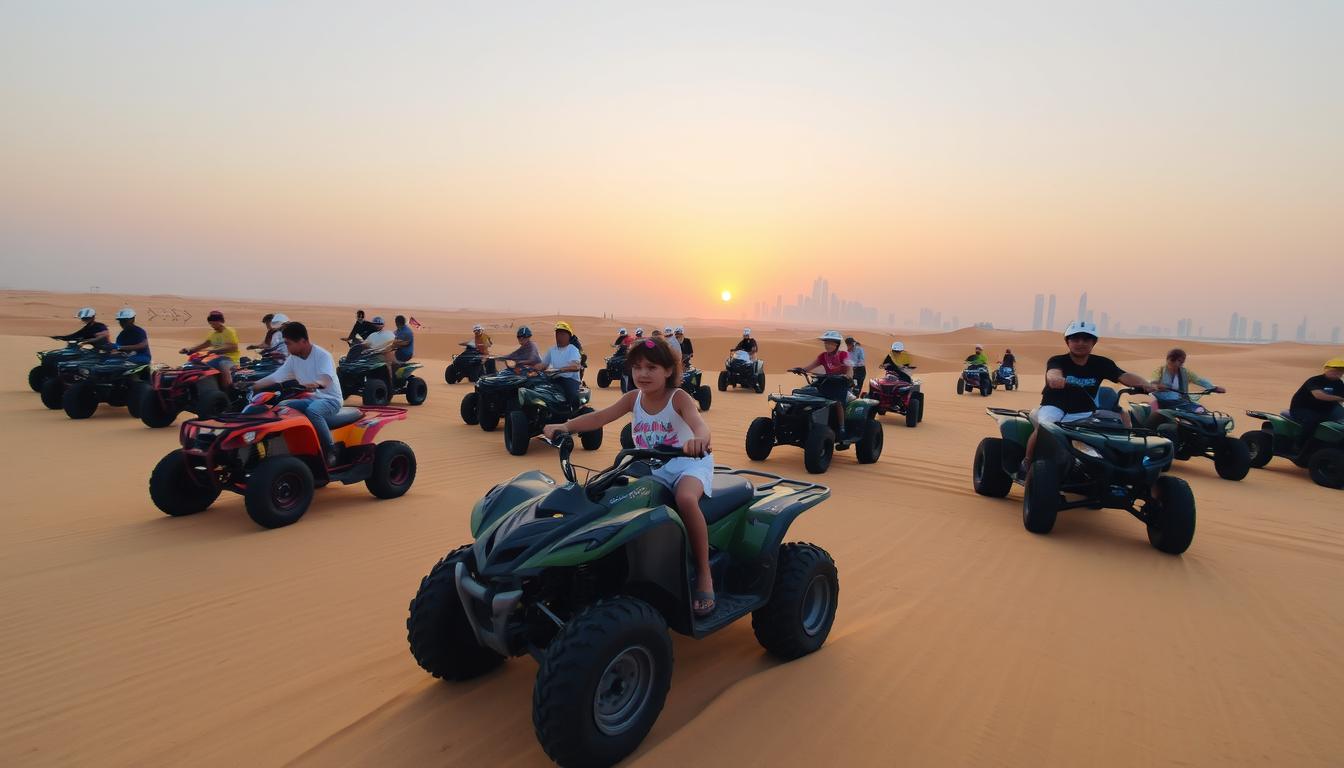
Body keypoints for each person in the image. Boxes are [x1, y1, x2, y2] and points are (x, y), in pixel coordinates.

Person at [542, 337, 716, 616]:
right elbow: (600, 418)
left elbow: (699, 425)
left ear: (669, 371)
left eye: (651, 367)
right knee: (611, 494)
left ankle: (705, 574)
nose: (643, 374)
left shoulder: (678, 398)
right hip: (653, 467)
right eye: (637, 368)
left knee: (684, 499)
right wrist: (565, 425)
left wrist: (699, 440)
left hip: (688, 464)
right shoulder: (633, 398)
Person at [1022, 321, 1154, 476]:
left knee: (1120, 418)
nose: (1081, 343)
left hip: (1084, 410)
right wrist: (1055, 379)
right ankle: (1027, 462)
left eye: (1086, 339)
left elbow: (1123, 376)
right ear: (1068, 342)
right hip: (1054, 406)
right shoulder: (1058, 360)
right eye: (1075, 339)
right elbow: (1053, 373)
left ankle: (1122, 461)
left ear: (1093, 342)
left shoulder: (1101, 363)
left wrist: (1145, 383)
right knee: (1046, 427)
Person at [249, 322, 344, 464]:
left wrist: (317, 384)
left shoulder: (322, 356)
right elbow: (276, 376)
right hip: (313, 398)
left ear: (303, 341)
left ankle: (330, 450)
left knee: (314, 412)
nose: (286, 347)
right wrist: (253, 385)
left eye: (288, 343)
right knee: (283, 406)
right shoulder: (293, 359)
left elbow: (326, 379)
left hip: (331, 400)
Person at [794, 330, 853, 439]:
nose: (828, 345)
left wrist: (847, 376)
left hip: (840, 384)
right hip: (826, 383)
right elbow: (810, 367)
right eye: (826, 343)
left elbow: (849, 369)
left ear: (837, 345)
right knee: (803, 394)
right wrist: (800, 369)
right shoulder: (823, 356)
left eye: (831, 343)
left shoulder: (843, 354)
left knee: (838, 402)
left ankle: (842, 428)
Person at [1144, 348, 1225, 427]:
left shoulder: (1184, 372)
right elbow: (1153, 382)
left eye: (1182, 361)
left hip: (1181, 401)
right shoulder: (1160, 370)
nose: (1180, 363)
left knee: (1200, 409)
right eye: (1178, 360)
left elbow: (1198, 380)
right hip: (1162, 400)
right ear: (1170, 359)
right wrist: (1157, 386)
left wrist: (1213, 388)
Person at [1287, 359, 1344, 451]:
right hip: (1301, 409)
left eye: (1341, 371)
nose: (1338, 373)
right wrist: (1340, 398)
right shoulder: (1315, 380)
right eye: (1335, 370)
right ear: (1327, 369)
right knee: (1312, 420)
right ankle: (1299, 444)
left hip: (1325, 410)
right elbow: (1319, 395)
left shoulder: (1339, 383)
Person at [180, 310, 241, 390]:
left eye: (214, 323)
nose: (213, 325)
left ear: (220, 321)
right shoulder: (213, 334)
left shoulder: (229, 331)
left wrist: (215, 351)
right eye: (211, 323)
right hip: (215, 358)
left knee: (222, 364)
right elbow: (204, 344)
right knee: (196, 364)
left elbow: (233, 347)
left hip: (230, 359)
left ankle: (229, 389)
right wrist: (190, 350)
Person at [538, 322, 584, 405]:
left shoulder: (572, 349)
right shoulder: (552, 350)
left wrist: (562, 369)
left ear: (569, 336)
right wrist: (532, 368)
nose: (559, 337)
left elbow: (576, 366)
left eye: (562, 334)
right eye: (557, 334)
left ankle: (572, 412)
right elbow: (543, 365)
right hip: (554, 378)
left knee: (573, 395)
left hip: (569, 379)